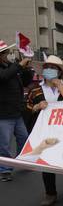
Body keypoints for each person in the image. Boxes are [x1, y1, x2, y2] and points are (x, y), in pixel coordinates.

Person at [26, 55, 63, 206]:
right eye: (47, 67)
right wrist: (37, 107)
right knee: (47, 160)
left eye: (53, 68)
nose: (49, 70)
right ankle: (50, 193)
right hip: (44, 132)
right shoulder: (35, 89)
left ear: (60, 72)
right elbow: (26, 108)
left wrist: (62, 90)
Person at [0, 40, 32, 182]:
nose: (8, 55)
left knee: (23, 138)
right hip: (3, 113)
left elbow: (25, 82)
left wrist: (26, 69)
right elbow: (3, 76)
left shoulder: (10, 66)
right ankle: (5, 169)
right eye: (5, 53)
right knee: (4, 143)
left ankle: (21, 162)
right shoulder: (8, 69)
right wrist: (19, 65)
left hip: (16, 111)